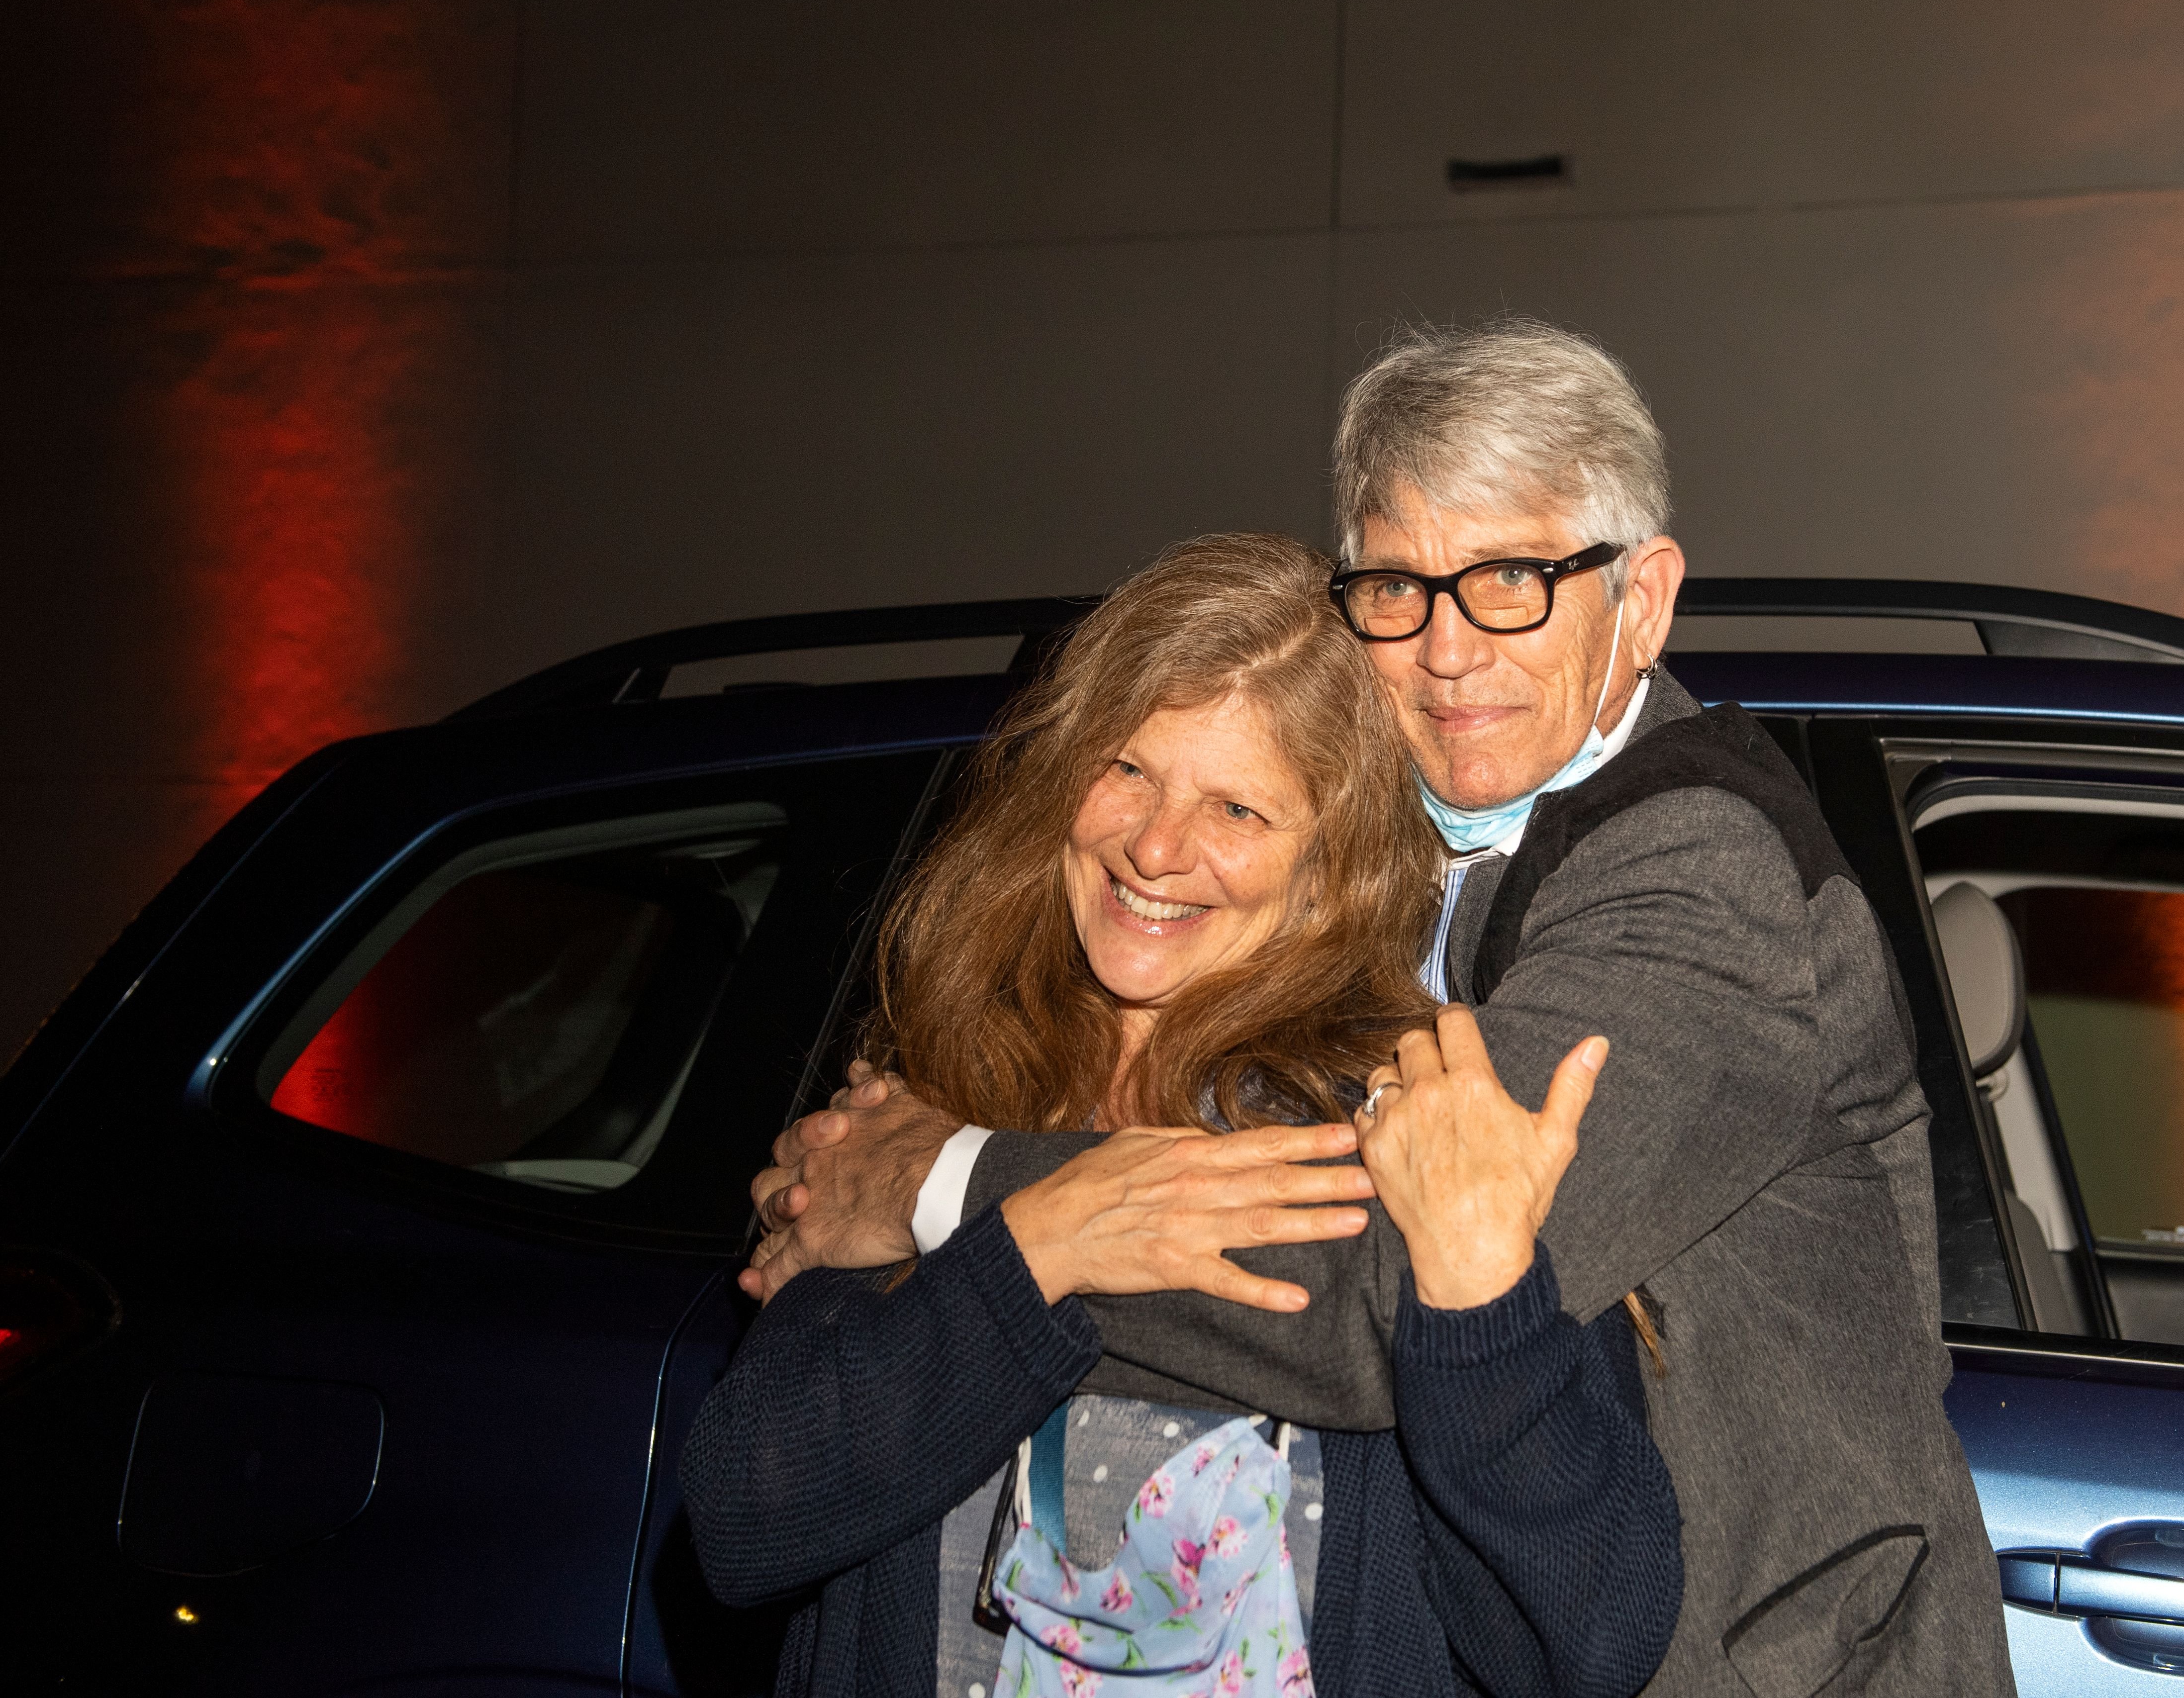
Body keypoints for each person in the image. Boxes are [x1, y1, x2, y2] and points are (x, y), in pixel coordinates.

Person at [751, 318, 2019, 1694]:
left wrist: (950, 1190)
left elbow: (1405, 1287)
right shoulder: (1358, 856)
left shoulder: (1701, 874)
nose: (1447, 650)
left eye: (1513, 582)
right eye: (1399, 588)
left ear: (1641, 604)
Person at [684, 532, 1685, 1697]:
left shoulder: (1413, 1128)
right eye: (1126, 770)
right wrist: (1042, 1242)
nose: (1157, 847)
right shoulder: (949, 1093)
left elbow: (1586, 1639)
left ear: (1330, 865)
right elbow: (742, 1520)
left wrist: (1480, 1306)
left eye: (1239, 809)